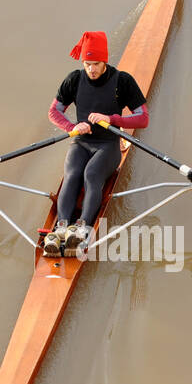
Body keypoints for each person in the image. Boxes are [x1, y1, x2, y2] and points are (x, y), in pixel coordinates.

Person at [43, 30, 149, 256]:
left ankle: (81, 229)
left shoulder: (122, 81)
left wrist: (111, 119)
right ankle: (61, 229)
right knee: (72, 174)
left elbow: (143, 118)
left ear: (105, 60)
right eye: (87, 63)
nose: (91, 69)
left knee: (91, 174)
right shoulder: (74, 79)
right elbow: (54, 112)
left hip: (108, 144)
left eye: (96, 64)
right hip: (81, 142)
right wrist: (72, 127)